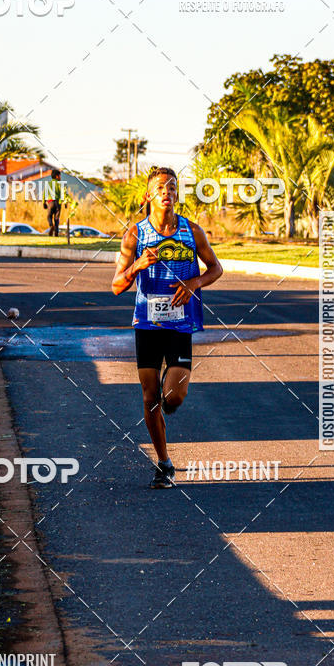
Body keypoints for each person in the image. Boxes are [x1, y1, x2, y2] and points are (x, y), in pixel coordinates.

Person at [112, 166, 223, 488]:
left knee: (173, 397)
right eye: (161, 187)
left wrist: (194, 283)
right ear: (149, 195)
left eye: (173, 187)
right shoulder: (135, 234)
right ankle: (164, 464)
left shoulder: (192, 231)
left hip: (179, 325)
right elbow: (116, 286)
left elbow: (216, 268)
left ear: (177, 195)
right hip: (147, 325)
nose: (167, 191)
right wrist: (137, 265)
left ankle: (167, 395)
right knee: (150, 399)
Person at [44, 168, 63, 236]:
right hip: (58, 203)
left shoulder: (48, 184)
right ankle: (56, 233)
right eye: (60, 176)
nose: (60, 177)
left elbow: (45, 193)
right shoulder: (60, 184)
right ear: (57, 176)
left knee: (49, 216)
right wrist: (65, 202)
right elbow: (63, 194)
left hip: (51, 202)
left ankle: (51, 225)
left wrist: (44, 202)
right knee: (57, 218)